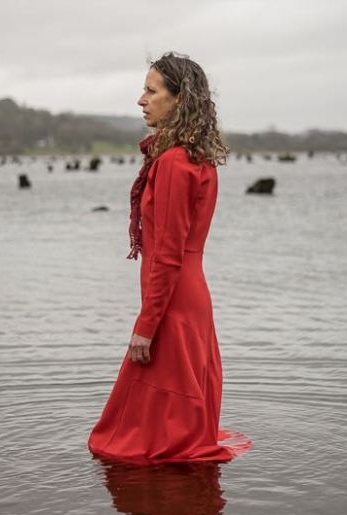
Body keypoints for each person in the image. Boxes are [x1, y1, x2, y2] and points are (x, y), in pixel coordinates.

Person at [88, 52, 253, 463]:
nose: (140, 100)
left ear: (178, 99)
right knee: (161, 433)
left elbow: (167, 256)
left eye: (150, 90)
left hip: (175, 300)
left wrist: (146, 326)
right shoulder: (193, 158)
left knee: (142, 445)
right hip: (187, 295)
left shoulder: (175, 164)